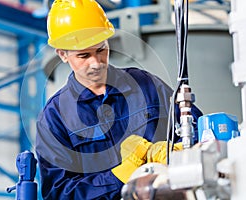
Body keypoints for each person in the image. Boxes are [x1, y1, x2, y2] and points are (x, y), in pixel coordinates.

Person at [35, 0, 203, 199]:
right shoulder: (54, 117)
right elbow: (59, 194)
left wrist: (178, 152)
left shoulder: (145, 84)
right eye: (84, 55)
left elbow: (198, 129)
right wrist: (118, 176)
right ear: (62, 54)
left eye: (101, 50)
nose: (96, 63)